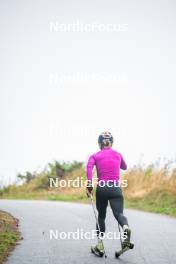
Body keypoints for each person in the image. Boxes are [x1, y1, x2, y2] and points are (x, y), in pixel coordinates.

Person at [86, 131, 131, 256]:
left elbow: (89, 168)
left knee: (101, 216)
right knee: (119, 214)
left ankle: (100, 245)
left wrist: (89, 184)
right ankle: (125, 227)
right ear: (112, 142)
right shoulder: (118, 154)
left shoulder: (95, 156)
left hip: (102, 188)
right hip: (116, 188)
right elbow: (125, 167)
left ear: (100, 143)